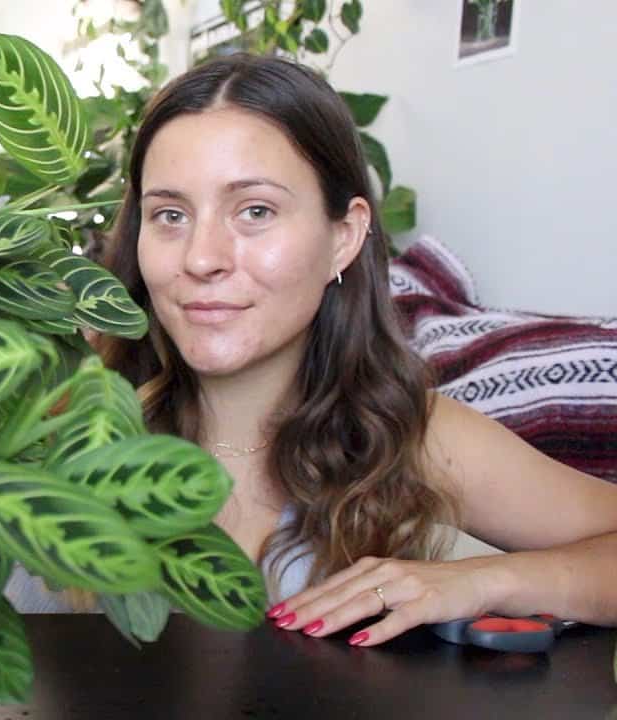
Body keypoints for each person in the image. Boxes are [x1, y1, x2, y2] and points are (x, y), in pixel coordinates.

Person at [89, 53, 617, 646]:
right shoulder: (68, 422)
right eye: (170, 214)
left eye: (255, 211)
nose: (201, 257)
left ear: (343, 237)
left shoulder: (411, 434)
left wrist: (484, 580)